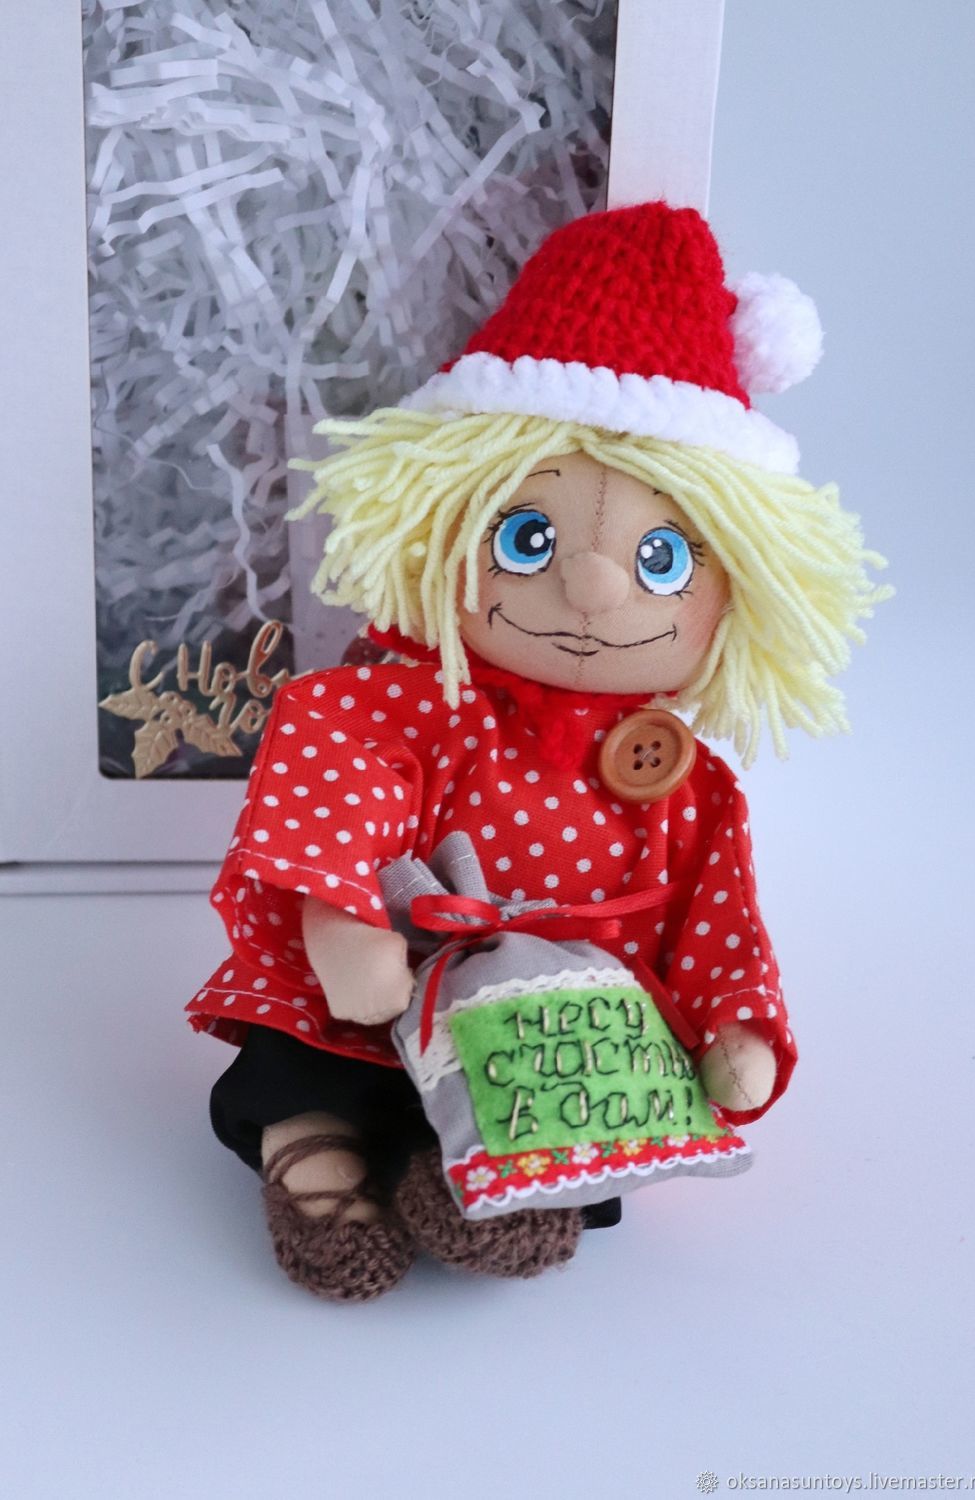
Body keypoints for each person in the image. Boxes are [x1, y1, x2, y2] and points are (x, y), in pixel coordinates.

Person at [187, 201, 888, 1302]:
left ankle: (485, 1175)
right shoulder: (411, 703)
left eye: (662, 560)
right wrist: (346, 921)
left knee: (584, 1108)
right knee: (314, 1062)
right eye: (526, 538)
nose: (594, 585)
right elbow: (343, 792)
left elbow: (713, 909)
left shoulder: (684, 779)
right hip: (397, 995)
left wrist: (735, 1026)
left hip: (559, 1034)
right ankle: (316, 1152)